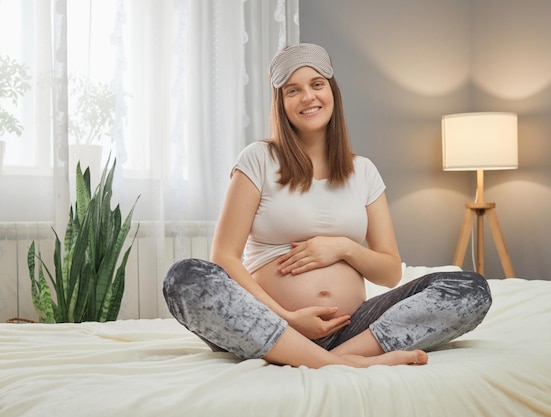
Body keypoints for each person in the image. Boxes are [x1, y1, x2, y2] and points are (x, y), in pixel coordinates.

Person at [163, 43, 492, 368]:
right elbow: (224, 257)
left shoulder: (363, 171)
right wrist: (288, 317)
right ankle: (344, 363)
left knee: (470, 288)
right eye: (293, 90)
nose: (308, 97)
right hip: (273, 324)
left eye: (317, 84)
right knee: (185, 277)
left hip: (355, 329)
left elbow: (390, 272)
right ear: (281, 103)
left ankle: (334, 358)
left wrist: (343, 248)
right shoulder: (258, 159)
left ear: (331, 91)